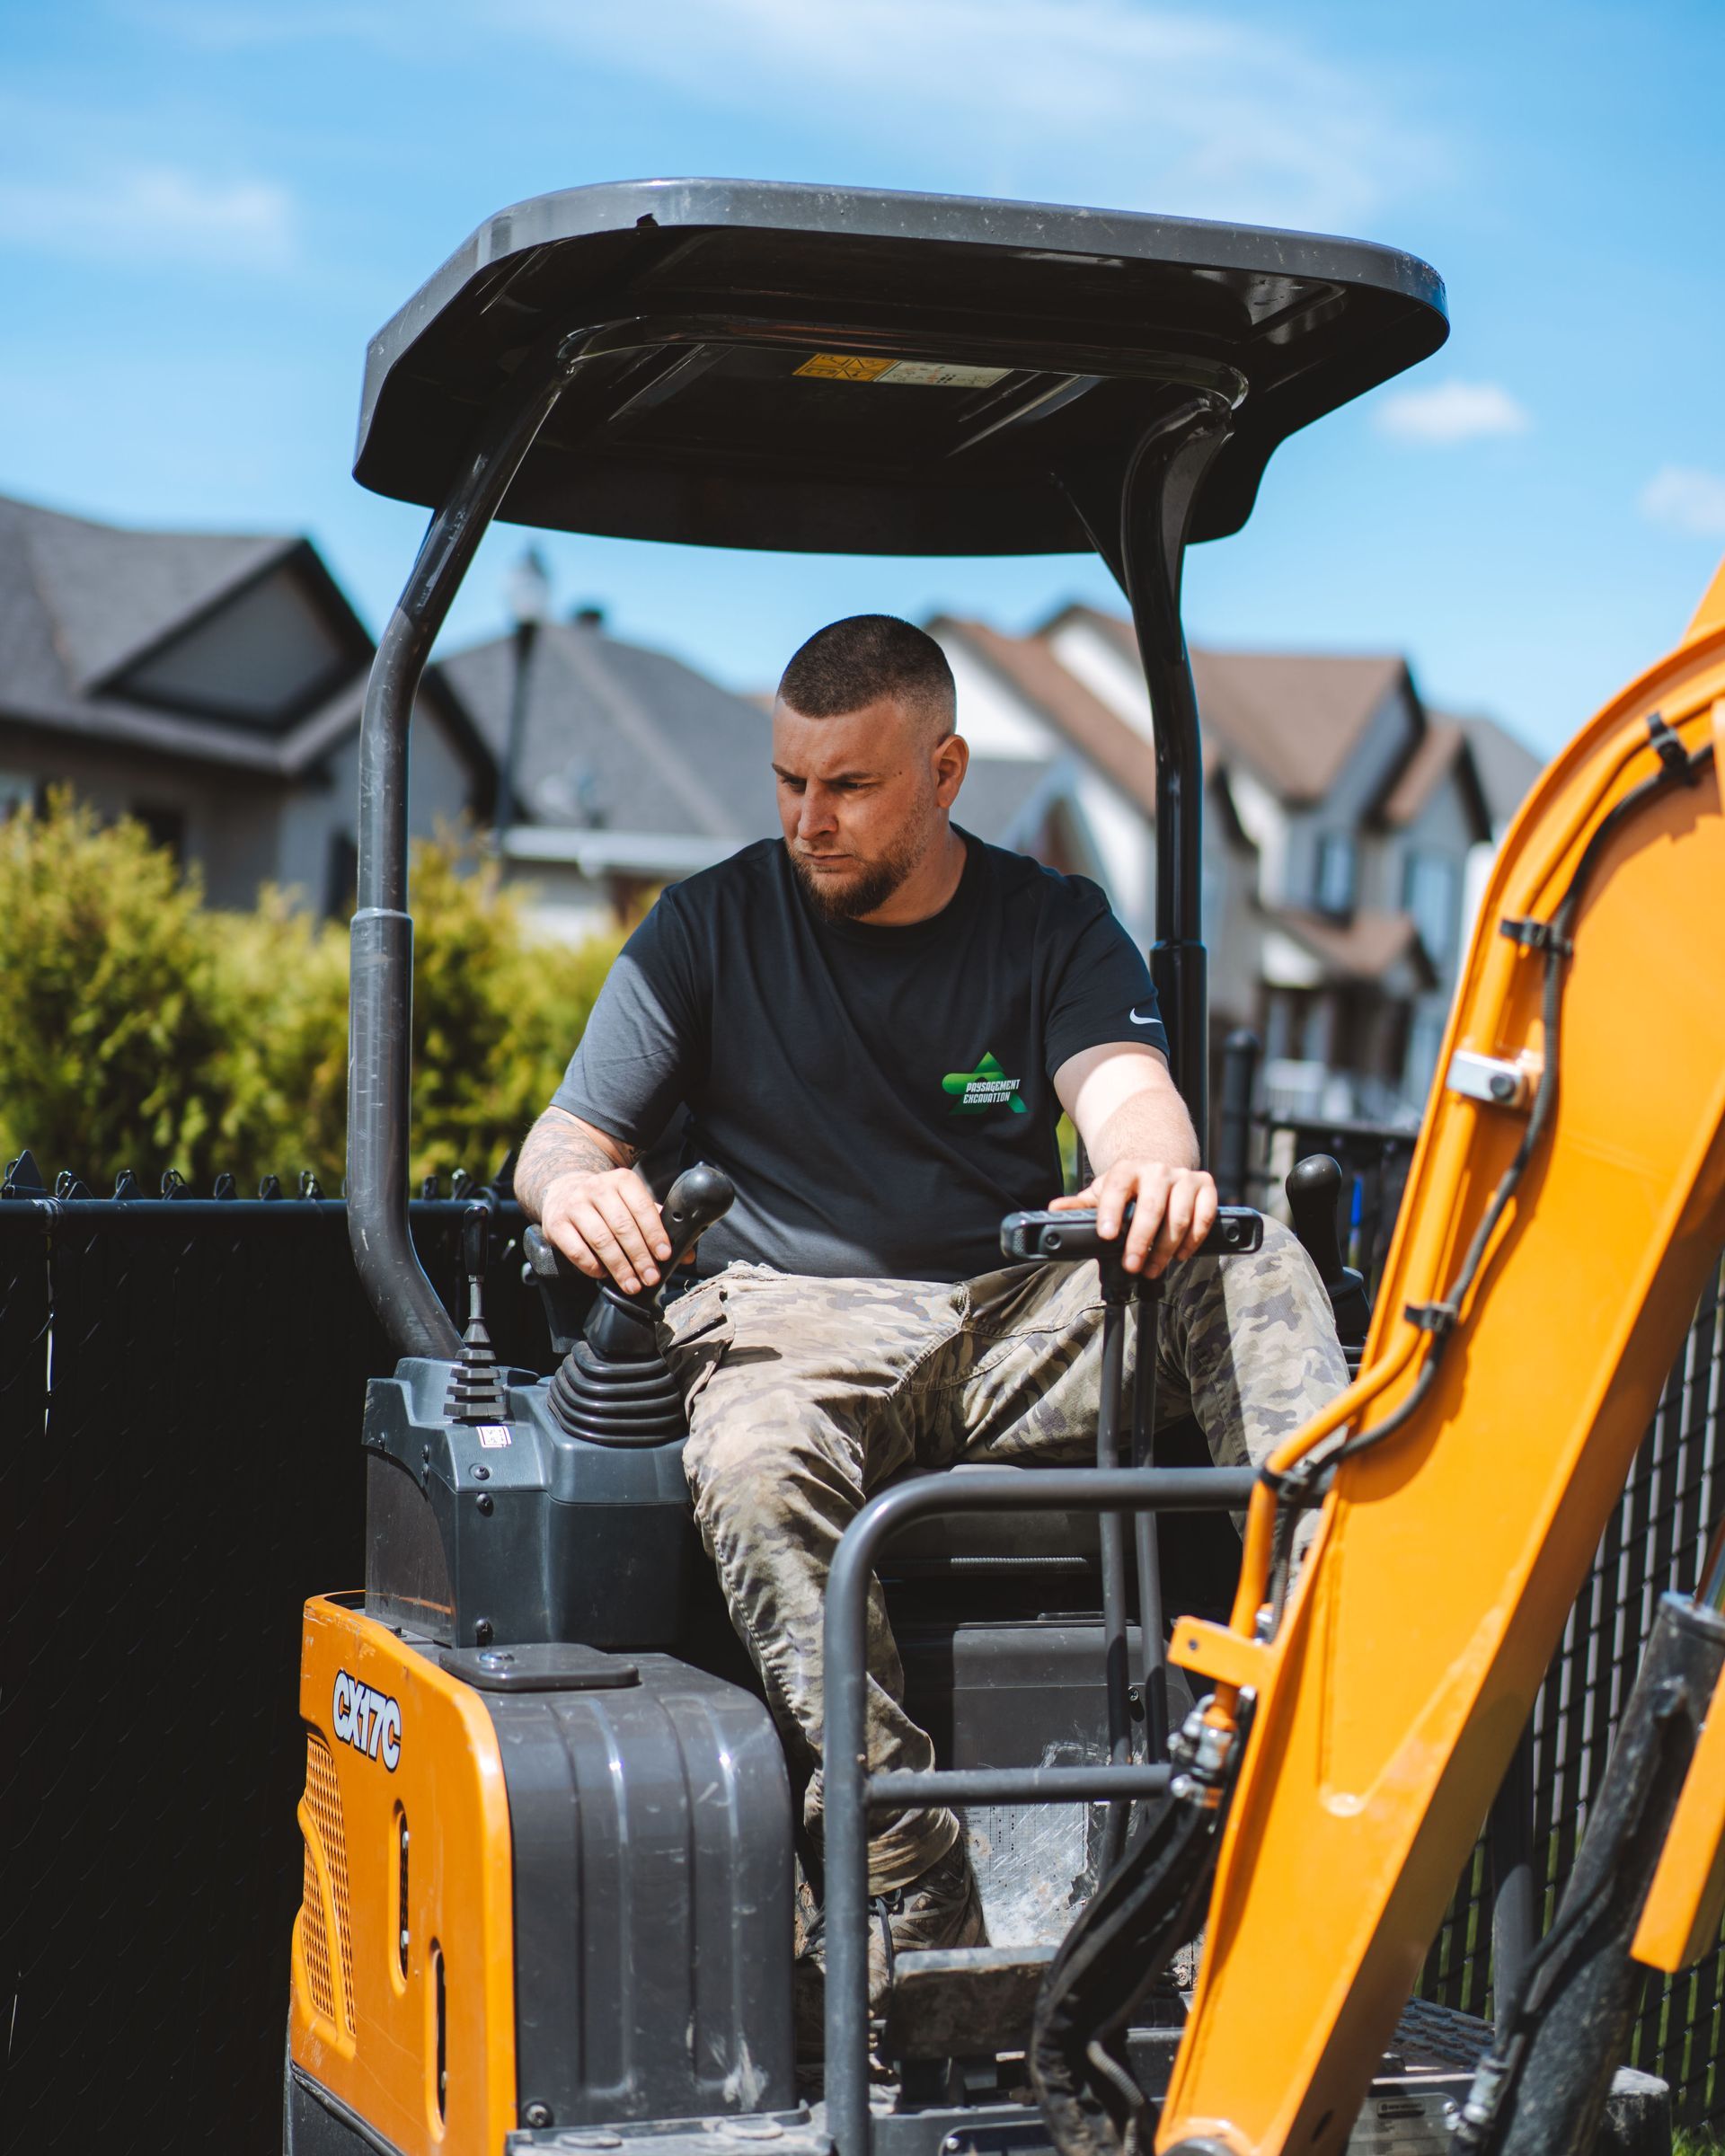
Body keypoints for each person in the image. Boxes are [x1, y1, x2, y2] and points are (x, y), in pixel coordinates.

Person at [515, 614, 1347, 2015]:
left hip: (1007, 1313)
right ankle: (911, 1882)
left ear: (947, 771)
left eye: (848, 787)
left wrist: (1151, 1166)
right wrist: (570, 1193)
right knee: (754, 1462)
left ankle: (1322, 1705)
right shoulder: (708, 926)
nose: (807, 819)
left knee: (1252, 1254)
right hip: (791, 1327)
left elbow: (1126, 1095)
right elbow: (562, 1141)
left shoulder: (1051, 924)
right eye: (788, 782)